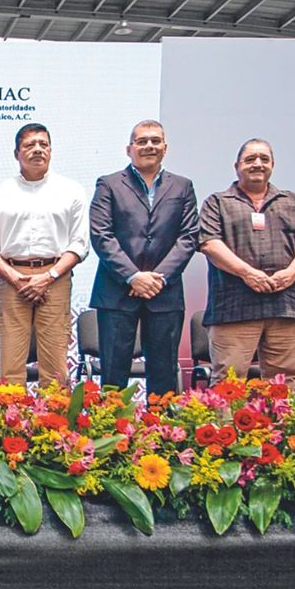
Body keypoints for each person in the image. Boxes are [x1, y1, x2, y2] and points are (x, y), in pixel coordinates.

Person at [199, 139, 295, 386]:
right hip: (234, 308)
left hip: (286, 305)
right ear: (236, 166)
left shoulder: (293, 202)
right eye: (250, 159)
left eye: (264, 159)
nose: (258, 164)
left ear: (272, 165)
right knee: (228, 385)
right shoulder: (218, 202)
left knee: (286, 384)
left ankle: (283, 427)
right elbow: (209, 243)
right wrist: (247, 273)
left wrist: (291, 273)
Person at [90, 120, 198, 395]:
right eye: (142, 141)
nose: (149, 146)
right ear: (129, 149)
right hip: (117, 292)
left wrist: (158, 278)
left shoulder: (183, 187)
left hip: (165, 293)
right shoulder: (109, 184)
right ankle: (112, 435)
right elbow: (102, 235)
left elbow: (188, 237)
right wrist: (134, 276)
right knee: (113, 377)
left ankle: (160, 435)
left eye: (155, 140)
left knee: (163, 377)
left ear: (165, 147)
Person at [0, 123, 88, 387]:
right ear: (16, 153)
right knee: (10, 366)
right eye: (30, 145)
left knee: (55, 368)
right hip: (11, 280)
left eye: (43, 144)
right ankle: (10, 426)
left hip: (55, 278)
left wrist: (49, 276)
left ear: (51, 151)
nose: (37, 150)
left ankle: (54, 425)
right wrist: (15, 277)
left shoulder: (71, 191)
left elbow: (79, 244)